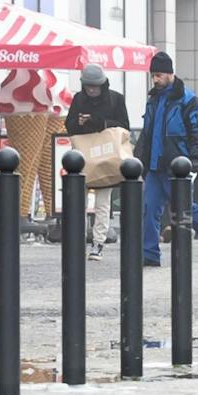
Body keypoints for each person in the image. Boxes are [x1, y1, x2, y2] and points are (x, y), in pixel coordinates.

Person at [136, 51, 198, 266]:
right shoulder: (153, 100)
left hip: (177, 166)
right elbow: (147, 134)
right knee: (149, 208)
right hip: (155, 166)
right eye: (153, 75)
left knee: (186, 208)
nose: (155, 79)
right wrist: (142, 161)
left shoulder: (188, 100)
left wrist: (194, 161)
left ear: (170, 73)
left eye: (159, 75)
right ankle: (150, 253)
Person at [65, 64, 132, 256]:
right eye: (88, 86)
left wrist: (100, 122)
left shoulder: (115, 99)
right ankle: (78, 241)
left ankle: (98, 242)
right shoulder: (79, 99)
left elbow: (124, 126)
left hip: (106, 157)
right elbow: (69, 125)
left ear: (102, 85)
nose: (92, 90)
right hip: (84, 157)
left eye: (95, 86)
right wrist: (79, 122)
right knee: (79, 202)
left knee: (103, 203)